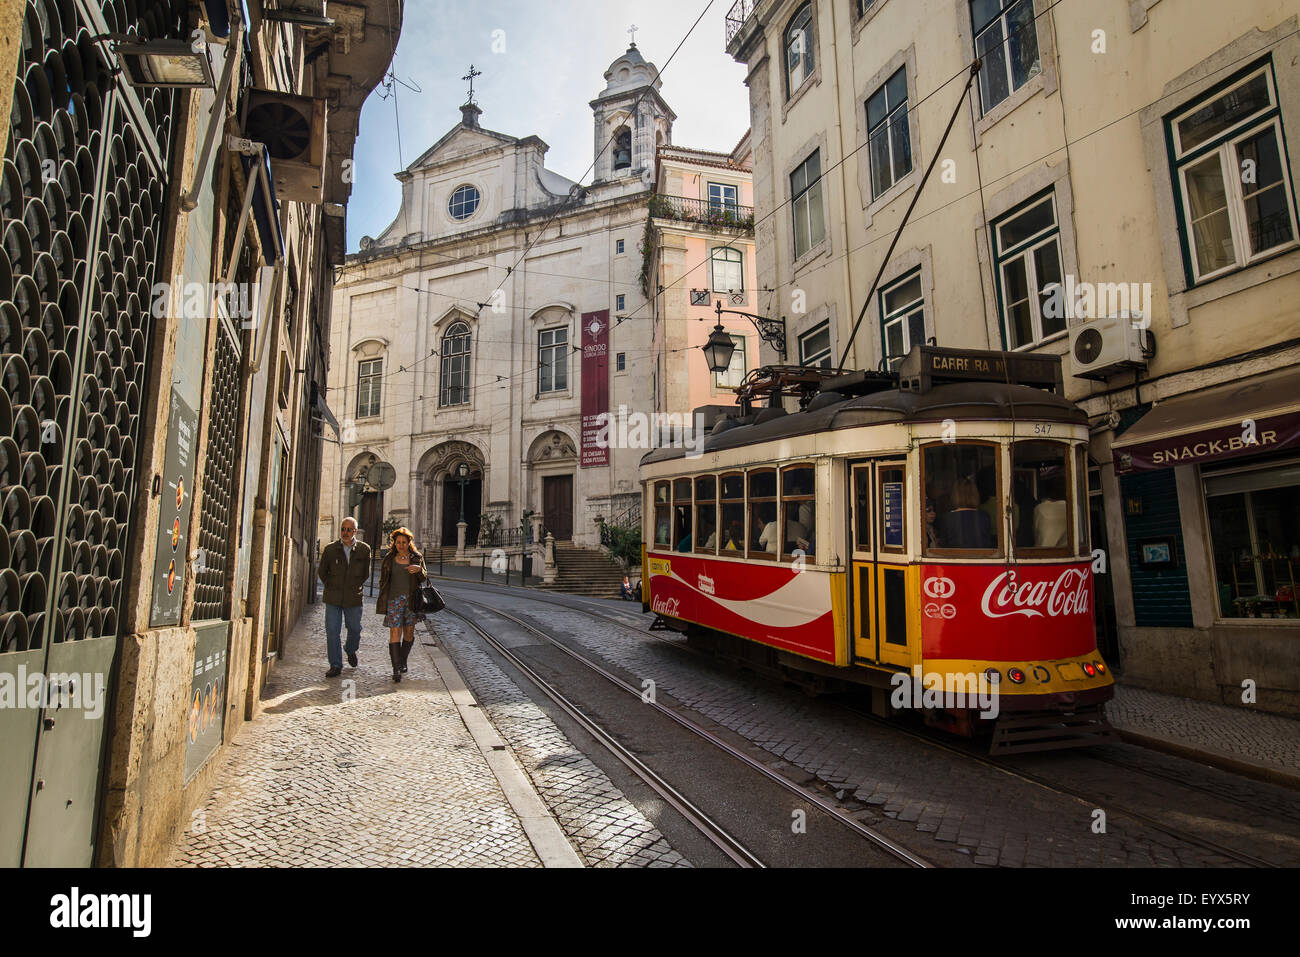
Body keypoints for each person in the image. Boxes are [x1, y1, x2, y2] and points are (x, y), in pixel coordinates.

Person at [317, 517, 372, 678]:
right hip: (333, 597)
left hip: (353, 597)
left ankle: (350, 649)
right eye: (343, 529)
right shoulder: (330, 549)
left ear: (355, 531)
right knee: (332, 631)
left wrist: (354, 586)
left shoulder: (364, 549)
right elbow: (322, 571)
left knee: (355, 629)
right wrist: (330, 585)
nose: (345, 532)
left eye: (349, 529)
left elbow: (365, 574)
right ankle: (335, 664)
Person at [375, 527, 427, 682]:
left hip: (411, 601)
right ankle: (396, 668)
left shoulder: (417, 557)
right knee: (395, 632)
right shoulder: (389, 559)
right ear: (394, 543)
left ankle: (403, 660)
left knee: (409, 632)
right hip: (393, 601)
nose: (401, 545)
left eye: (404, 542)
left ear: (409, 543)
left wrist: (418, 570)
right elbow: (383, 580)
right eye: (398, 542)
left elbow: (424, 577)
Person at [937, 479, 994, 548]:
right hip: (981, 557)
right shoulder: (984, 517)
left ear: (955, 495)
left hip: (954, 557)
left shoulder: (948, 518)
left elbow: (943, 545)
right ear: (975, 494)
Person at [1033, 476, 1068, 548]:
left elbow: (1035, 532)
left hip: (1042, 552)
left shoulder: (1040, 508)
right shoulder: (1074, 507)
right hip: (1066, 552)